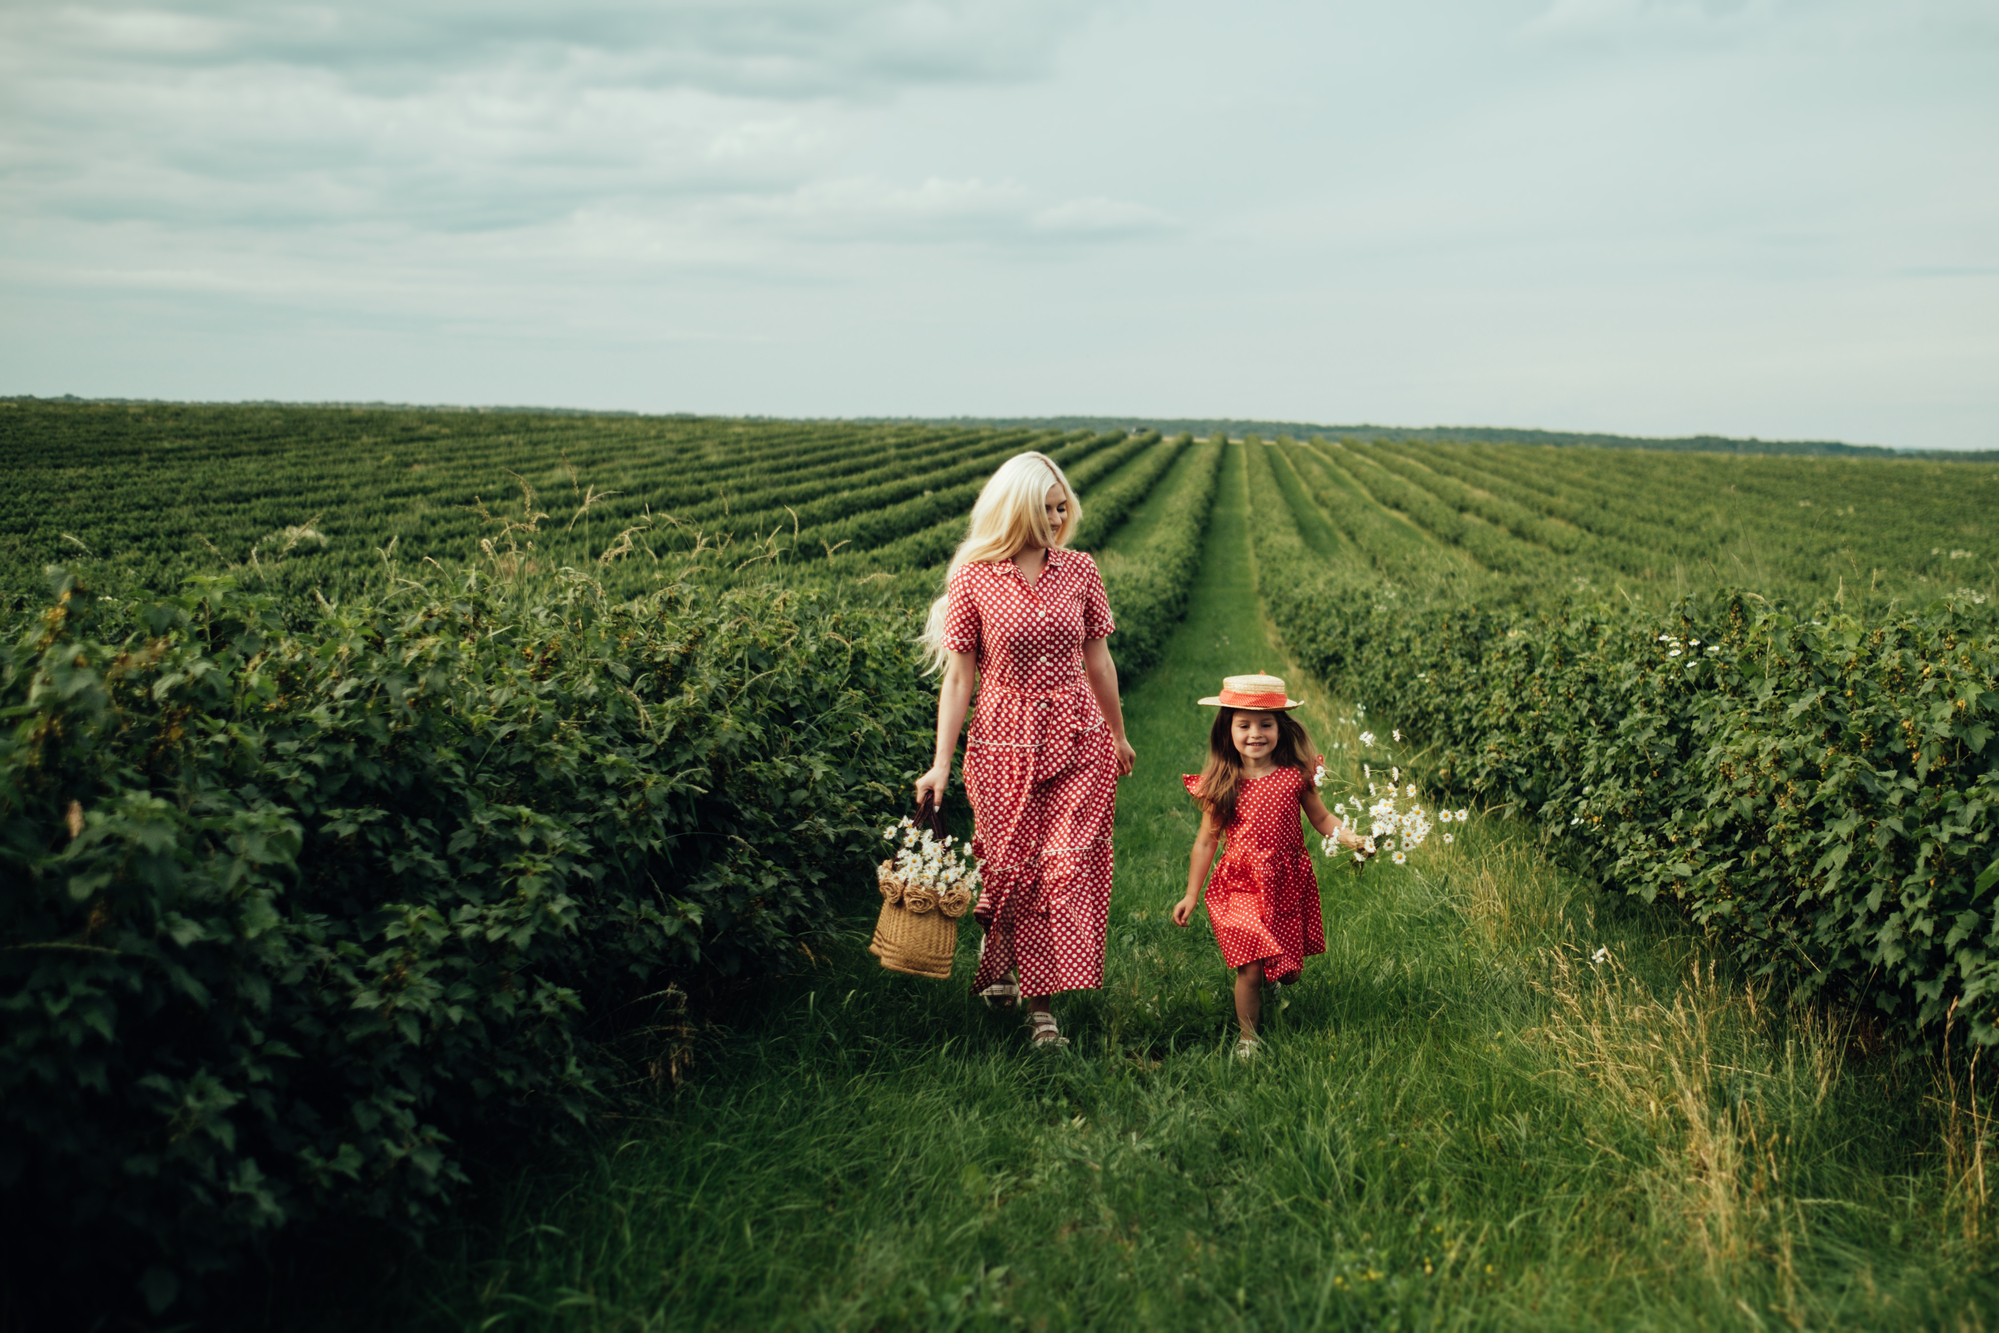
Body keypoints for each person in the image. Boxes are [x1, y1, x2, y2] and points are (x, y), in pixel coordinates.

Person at [914, 451, 1136, 1048]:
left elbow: (1098, 659)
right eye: (1047, 508)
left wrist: (1117, 734)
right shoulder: (975, 578)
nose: (1060, 518)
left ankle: (1043, 1013)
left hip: (1079, 740)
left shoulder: (1081, 570)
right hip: (1001, 746)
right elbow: (959, 678)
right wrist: (941, 762)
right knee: (1011, 868)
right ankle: (1001, 953)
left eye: (1064, 506)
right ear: (1016, 510)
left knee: (1059, 871)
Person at [1171, 673, 1364, 1058]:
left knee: (1286, 968)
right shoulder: (1223, 782)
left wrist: (1351, 838)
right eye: (1244, 725)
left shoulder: (1295, 777)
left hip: (1285, 881)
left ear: (1281, 728)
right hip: (1239, 885)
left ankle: (1275, 981)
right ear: (1228, 730)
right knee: (1251, 967)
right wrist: (1192, 893)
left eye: (1265, 724)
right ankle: (1248, 1039)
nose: (1255, 734)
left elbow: (1323, 819)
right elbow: (1206, 841)